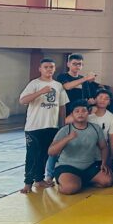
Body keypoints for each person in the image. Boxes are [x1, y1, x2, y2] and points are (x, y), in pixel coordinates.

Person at [19, 58, 69, 194]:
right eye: (46, 67)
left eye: (51, 67)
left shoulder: (58, 85)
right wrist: (40, 92)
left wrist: (62, 125)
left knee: (44, 155)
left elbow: (62, 106)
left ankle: (39, 179)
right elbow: (23, 100)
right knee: (32, 155)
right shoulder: (34, 84)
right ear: (40, 69)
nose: (49, 69)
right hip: (34, 126)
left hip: (51, 125)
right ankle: (27, 183)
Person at [49, 100, 113, 195]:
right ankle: (71, 182)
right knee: (69, 188)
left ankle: (80, 182)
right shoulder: (65, 130)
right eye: (77, 111)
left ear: (88, 113)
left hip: (89, 166)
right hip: (68, 167)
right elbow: (51, 152)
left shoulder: (95, 128)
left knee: (107, 181)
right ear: (72, 114)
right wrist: (67, 138)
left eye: (84, 111)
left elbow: (104, 147)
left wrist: (104, 163)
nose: (80, 114)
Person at [87, 90, 113, 172]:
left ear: (109, 102)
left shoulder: (111, 117)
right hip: (85, 151)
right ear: (95, 99)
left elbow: (112, 138)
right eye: (100, 97)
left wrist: (111, 156)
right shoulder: (86, 113)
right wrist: (88, 110)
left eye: (106, 99)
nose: (103, 100)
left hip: (101, 152)